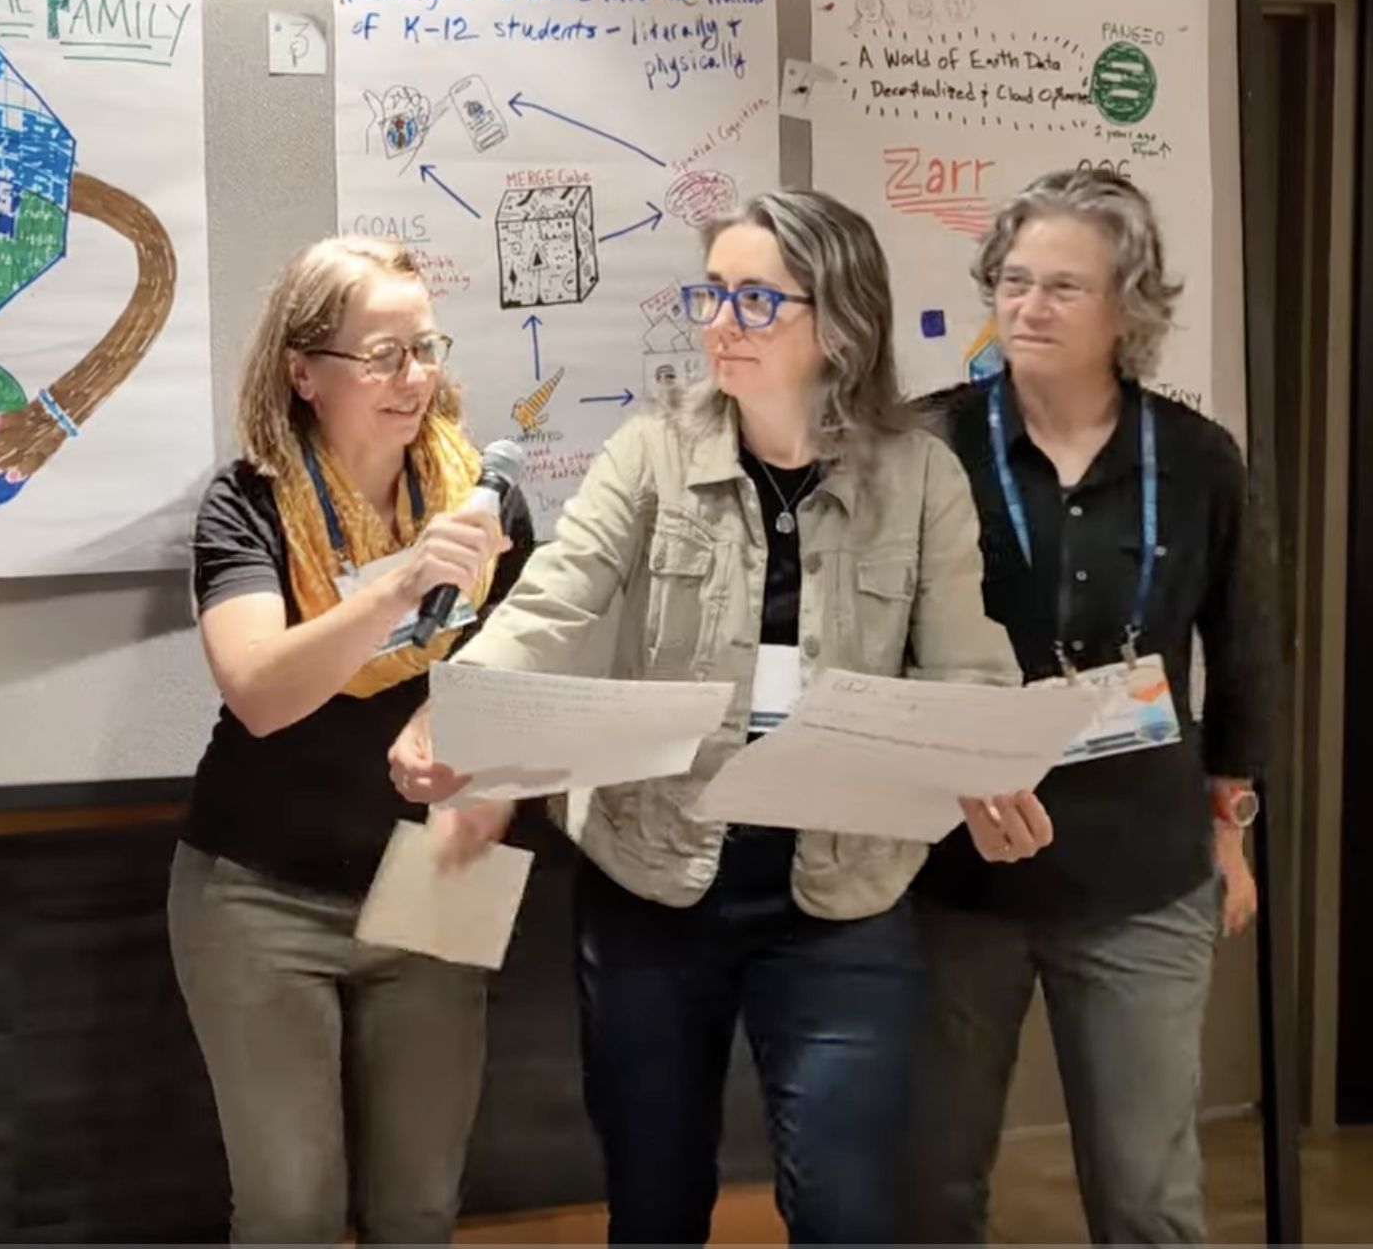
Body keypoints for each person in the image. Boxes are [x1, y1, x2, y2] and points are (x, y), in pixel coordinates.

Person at [392, 190, 1047, 1245]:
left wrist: (989, 768)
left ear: (839, 319)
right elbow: (555, 603)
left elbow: (968, 663)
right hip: (653, 879)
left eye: (755, 299)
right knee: (655, 1204)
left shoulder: (920, 476)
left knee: (844, 1207)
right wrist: (456, 711)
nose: (721, 323)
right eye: (711, 294)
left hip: (841, 893)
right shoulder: (650, 453)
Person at [905, 167, 1272, 1244]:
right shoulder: (927, 447)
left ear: (1127, 309)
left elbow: (1246, 654)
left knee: (1145, 1195)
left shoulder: (1197, 461)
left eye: (1063, 286)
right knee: (928, 1187)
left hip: (1141, 876)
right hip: (953, 878)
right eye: (1013, 280)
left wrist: (1231, 829)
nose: (1028, 306)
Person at [170, 235, 536, 1245]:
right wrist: (401, 584)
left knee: (418, 1206)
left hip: (433, 878)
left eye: (425, 348)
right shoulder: (246, 501)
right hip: (261, 892)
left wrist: (484, 780)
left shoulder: (485, 497)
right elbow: (259, 692)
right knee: (292, 1211)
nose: (413, 378)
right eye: (381, 356)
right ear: (304, 373)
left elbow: (523, 674)